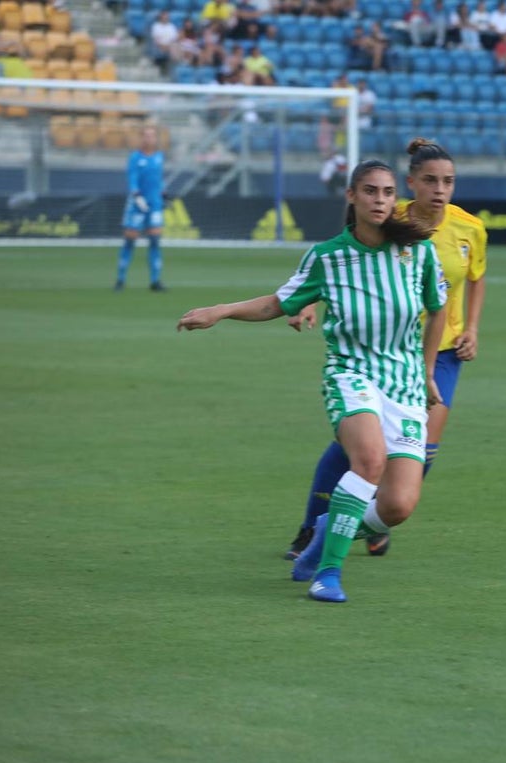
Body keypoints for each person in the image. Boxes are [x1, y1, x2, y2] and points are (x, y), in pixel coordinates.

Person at [179, 158, 447, 603]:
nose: (379, 200)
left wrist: (428, 369)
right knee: (368, 460)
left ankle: (328, 529)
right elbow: (277, 303)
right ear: (351, 197)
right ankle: (328, 574)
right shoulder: (328, 257)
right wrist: (221, 311)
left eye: (386, 192)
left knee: (398, 506)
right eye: (369, 191)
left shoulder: (417, 253)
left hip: (405, 383)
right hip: (352, 373)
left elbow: (437, 308)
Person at [283, 140, 488, 563]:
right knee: (357, 449)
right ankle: (313, 527)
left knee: (419, 450)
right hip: (385, 350)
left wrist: (471, 327)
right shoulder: (387, 216)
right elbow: (346, 267)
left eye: (448, 181)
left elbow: (475, 276)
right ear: (411, 184)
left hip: (441, 352)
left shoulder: (470, 228)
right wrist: (305, 301)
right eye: (430, 181)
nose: (439, 190)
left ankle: (371, 519)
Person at [115, 125, 167, 292]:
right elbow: (133, 178)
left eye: (152, 136)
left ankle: (155, 280)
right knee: (130, 240)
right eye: (146, 136)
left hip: (155, 205)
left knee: (155, 240)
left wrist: (162, 193)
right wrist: (137, 196)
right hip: (137, 204)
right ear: (141, 138)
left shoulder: (159, 156)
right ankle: (120, 279)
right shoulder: (135, 157)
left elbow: (158, 179)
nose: (149, 139)